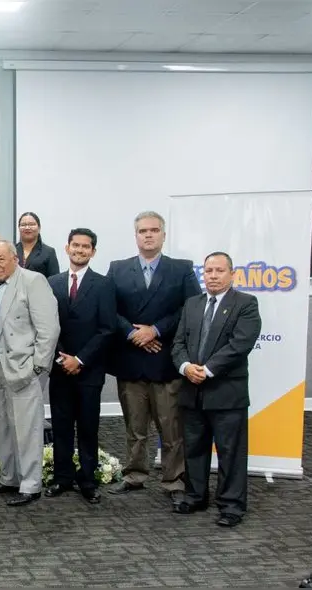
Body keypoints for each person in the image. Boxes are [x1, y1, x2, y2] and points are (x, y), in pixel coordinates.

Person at [105, 211, 201, 510]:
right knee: (135, 426)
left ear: (163, 234)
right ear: (135, 235)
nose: (148, 235)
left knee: (170, 428)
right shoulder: (118, 269)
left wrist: (155, 330)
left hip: (165, 360)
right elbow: (108, 308)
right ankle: (134, 475)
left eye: (154, 230)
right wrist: (133, 334)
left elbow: (191, 308)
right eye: (143, 230)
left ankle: (174, 480)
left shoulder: (181, 269)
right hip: (131, 359)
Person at [171, 252, 261, 527]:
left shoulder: (245, 303)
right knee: (194, 448)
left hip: (226, 393)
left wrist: (206, 370)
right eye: (208, 270)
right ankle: (196, 495)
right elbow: (178, 344)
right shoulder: (192, 304)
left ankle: (232, 505)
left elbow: (240, 344)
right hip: (192, 390)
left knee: (230, 451)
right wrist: (186, 366)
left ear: (231, 274)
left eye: (219, 270)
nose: (212, 275)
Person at [0, 240, 59, 507]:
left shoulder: (33, 281)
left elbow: (48, 330)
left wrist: (37, 367)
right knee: (0, 428)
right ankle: (9, 477)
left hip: (23, 369)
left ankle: (31, 484)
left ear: (15, 259)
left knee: (27, 428)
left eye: (1, 259)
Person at [45, 229, 115, 505]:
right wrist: (63, 358)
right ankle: (62, 477)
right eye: (76, 245)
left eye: (86, 247)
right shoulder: (52, 283)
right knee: (61, 426)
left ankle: (87, 479)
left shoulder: (104, 284)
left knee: (88, 427)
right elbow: (47, 325)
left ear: (93, 252)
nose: (80, 250)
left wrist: (81, 359)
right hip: (60, 368)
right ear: (67, 247)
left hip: (89, 370)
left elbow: (107, 329)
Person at [16, 212, 60, 278]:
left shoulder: (49, 252)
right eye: (23, 225)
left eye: (31, 224)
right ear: (19, 228)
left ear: (39, 228)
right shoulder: (11, 250)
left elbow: (54, 280)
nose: (27, 227)